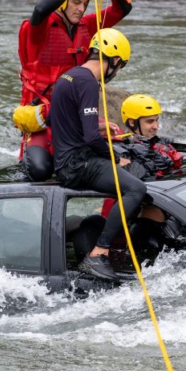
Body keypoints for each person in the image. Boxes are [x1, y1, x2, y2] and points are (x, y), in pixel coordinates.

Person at [14, 0, 133, 182]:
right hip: (42, 115)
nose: (81, 9)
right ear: (61, 3)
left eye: (85, 4)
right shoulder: (38, 30)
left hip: (73, 115)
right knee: (40, 170)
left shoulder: (86, 26)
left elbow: (122, 8)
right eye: (76, 2)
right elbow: (40, 10)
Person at [50, 27, 146, 282]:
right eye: (120, 66)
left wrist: (100, 124)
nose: (116, 72)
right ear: (114, 60)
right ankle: (99, 253)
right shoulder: (89, 83)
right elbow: (92, 139)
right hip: (78, 165)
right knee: (136, 189)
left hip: (64, 162)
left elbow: (55, 119)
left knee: (125, 180)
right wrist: (115, 158)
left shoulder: (69, 77)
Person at [113, 93, 184, 181]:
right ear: (132, 123)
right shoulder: (122, 152)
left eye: (156, 120)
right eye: (150, 121)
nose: (156, 126)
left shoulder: (161, 143)